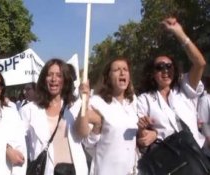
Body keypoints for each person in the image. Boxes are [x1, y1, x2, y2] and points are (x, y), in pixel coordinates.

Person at [136, 17, 207, 156]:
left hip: (198, 157)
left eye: (169, 66)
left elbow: (200, 63)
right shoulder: (144, 100)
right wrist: (147, 131)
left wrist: (179, 33)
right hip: (171, 162)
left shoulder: (184, 88)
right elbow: (142, 135)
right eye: (160, 67)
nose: (165, 70)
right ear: (152, 73)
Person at [20, 58, 88, 175]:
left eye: (59, 75)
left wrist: (86, 101)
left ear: (65, 80)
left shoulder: (74, 107)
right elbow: (16, 141)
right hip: (45, 170)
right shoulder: (29, 110)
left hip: (75, 170)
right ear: (43, 79)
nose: (54, 79)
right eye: (50, 75)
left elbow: (83, 133)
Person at [75, 57, 138, 175]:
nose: (122, 72)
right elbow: (86, 141)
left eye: (125, 69)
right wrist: (85, 103)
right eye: (117, 70)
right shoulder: (96, 102)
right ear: (108, 77)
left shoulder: (133, 101)